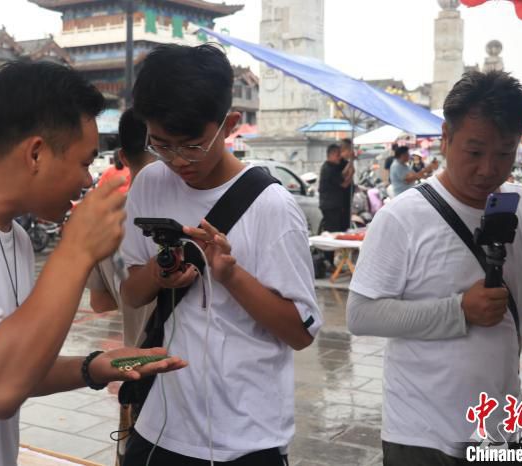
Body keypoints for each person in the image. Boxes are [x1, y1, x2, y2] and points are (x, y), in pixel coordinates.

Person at [0, 61, 185, 466]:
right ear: (35, 153)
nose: (87, 181)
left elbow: (15, 364)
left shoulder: (14, 237)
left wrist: (94, 367)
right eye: (84, 163)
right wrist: (77, 250)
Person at [346, 70, 522, 465]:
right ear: (446, 137)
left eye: (504, 152)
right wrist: (458, 310)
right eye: (475, 152)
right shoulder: (401, 217)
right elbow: (360, 314)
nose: (488, 169)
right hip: (420, 436)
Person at [119, 43, 322, 465]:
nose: (177, 161)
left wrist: (232, 277)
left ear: (229, 124)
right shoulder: (149, 183)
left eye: (192, 146)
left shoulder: (272, 207)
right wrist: (159, 273)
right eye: (161, 145)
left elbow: (300, 334)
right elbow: (132, 295)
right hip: (158, 427)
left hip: (246, 438)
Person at [86, 109, 157, 466]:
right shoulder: (193, 219)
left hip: (136, 370)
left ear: (123, 157)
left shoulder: (107, 222)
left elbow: (99, 303)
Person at [319, 143, 353, 232]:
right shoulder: (328, 169)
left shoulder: (333, 167)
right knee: (334, 231)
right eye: (338, 155)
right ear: (332, 155)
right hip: (331, 206)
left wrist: (350, 164)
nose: (340, 157)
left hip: (335, 205)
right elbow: (344, 184)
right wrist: (351, 174)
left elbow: (341, 175)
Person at [340, 138, 357, 228]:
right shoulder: (339, 162)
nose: (352, 152)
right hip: (340, 201)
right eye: (350, 149)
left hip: (347, 199)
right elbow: (343, 176)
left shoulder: (346, 162)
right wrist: (351, 162)